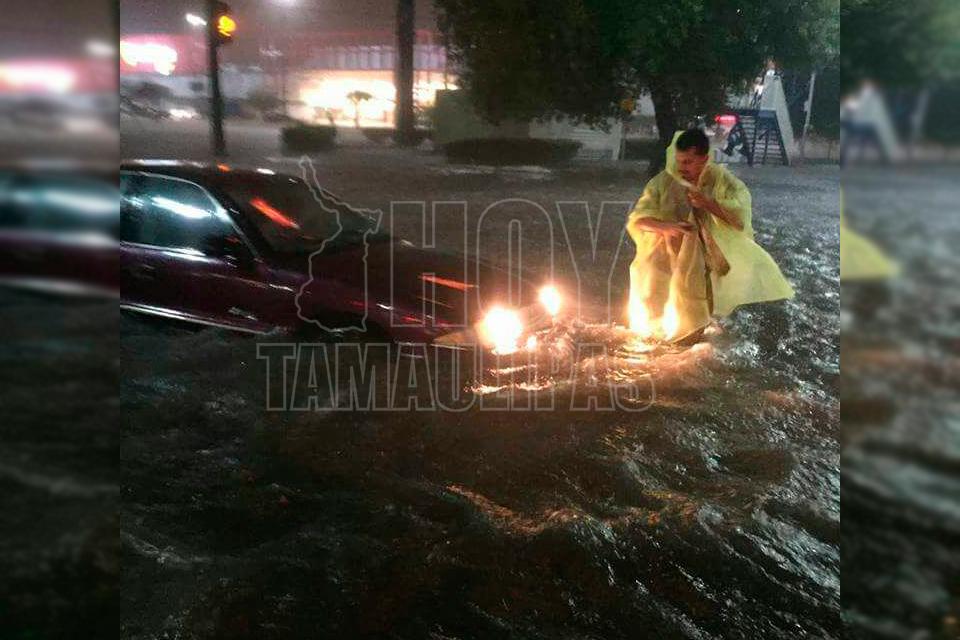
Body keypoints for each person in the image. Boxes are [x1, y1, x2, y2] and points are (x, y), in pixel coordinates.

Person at [626, 128, 794, 344]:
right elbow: (638, 219)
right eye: (679, 161)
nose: (681, 167)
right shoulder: (662, 183)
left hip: (702, 258)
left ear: (704, 159)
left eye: (688, 162)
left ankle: (690, 344)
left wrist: (708, 203)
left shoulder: (725, 183)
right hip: (659, 257)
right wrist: (666, 227)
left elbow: (739, 220)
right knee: (651, 309)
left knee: (694, 308)